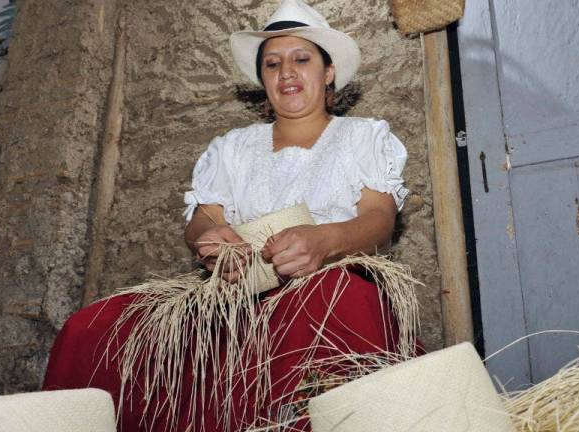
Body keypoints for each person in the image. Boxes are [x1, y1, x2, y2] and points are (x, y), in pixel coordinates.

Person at [43, 0, 413, 430]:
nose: (286, 73)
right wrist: (212, 238)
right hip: (235, 298)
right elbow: (202, 219)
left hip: (331, 284)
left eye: (301, 59)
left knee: (327, 300)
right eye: (272, 64)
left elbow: (378, 220)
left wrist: (325, 242)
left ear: (328, 72)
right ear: (262, 79)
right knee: (93, 329)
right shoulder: (233, 147)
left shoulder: (364, 137)